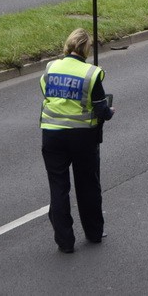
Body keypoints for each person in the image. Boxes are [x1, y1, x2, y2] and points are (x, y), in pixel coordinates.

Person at [40, 28, 115, 253]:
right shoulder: (91, 73)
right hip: (83, 136)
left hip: (52, 135)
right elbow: (101, 109)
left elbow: (46, 94)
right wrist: (111, 111)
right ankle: (93, 233)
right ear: (86, 49)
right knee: (88, 186)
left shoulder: (51, 68)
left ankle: (65, 242)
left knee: (58, 188)